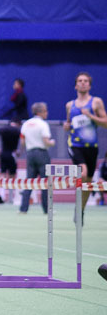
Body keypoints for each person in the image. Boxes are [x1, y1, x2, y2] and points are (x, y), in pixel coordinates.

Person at [64, 72, 107, 225]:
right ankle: (78, 204)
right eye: (80, 81)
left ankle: (80, 209)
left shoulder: (96, 102)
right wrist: (66, 126)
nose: (83, 83)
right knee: (83, 173)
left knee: (88, 182)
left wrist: (91, 116)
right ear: (76, 85)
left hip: (92, 147)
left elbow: (105, 123)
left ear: (89, 85)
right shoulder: (70, 105)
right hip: (75, 145)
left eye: (86, 81)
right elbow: (69, 125)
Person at [19, 102, 55, 214]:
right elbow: (46, 141)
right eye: (45, 111)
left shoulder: (26, 124)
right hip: (42, 154)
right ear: (40, 112)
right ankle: (47, 209)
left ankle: (23, 209)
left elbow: (22, 142)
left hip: (30, 154)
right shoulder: (43, 124)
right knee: (45, 182)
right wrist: (52, 143)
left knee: (29, 182)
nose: (47, 113)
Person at [0, 121, 21, 204]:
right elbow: (24, 140)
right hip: (12, 154)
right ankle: (11, 198)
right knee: (12, 176)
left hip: (3, 154)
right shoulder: (17, 130)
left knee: (2, 175)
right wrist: (20, 150)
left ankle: (2, 196)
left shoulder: (3, 129)